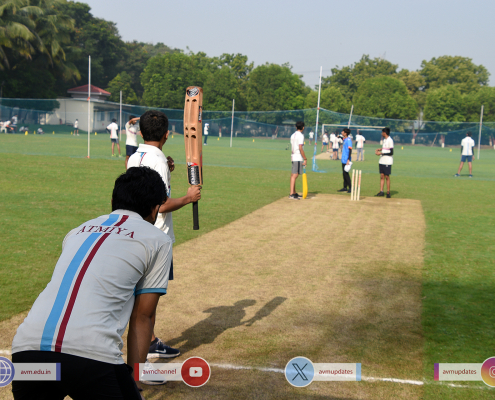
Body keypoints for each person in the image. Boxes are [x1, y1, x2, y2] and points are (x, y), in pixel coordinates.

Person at [11, 166, 171, 400]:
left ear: (113, 201)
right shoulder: (158, 240)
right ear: (155, 208)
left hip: (26, 351)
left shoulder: (76, 231)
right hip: (91, 356)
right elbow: (142, 317)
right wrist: (134, 382)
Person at [127, 110, 201, 369]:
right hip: (156, 239)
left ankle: (150, 343)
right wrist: (189, 198)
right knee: (145, 309)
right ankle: (139, 367)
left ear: (140, 132)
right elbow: (161, 205)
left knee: (142, 303)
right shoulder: (157, 160)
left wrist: (164, 168)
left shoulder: (135, 156)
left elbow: (139, 187)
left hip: (134, 235)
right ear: (167, 134)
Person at [289, 121, 307, 200]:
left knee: (293, 175)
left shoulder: (293, 135)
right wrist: (305, 158)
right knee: (295, 175)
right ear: (303, 128)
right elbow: (300, 148)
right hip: (297, 157)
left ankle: (294, 192)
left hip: (293, 156)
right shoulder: (301, 136)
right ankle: (291, 194)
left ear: (296, 127)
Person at [375, 127, 394, 198]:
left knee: (387, 176)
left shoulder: (390, 140)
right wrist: (380, 149)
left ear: (385, 133)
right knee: (382, 176)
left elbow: (391, 152)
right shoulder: (385, 140)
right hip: (382, 161)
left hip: (387, 161)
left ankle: (388, 192)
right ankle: (381, 191)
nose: (381, 134)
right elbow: (386, 149)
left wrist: (381, 153)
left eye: (382, 132)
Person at [338, 128, 353, 193]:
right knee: (344, 174)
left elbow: (350, 150)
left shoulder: (349, 140)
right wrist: (339, 137)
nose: (341, 132)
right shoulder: (345, 139)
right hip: (343, 159)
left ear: (345, 133)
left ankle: (350, 188)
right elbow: (342, 138)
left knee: (346, 174)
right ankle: (345, 187)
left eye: (343, 132)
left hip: (346, 159)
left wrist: (348, 159)